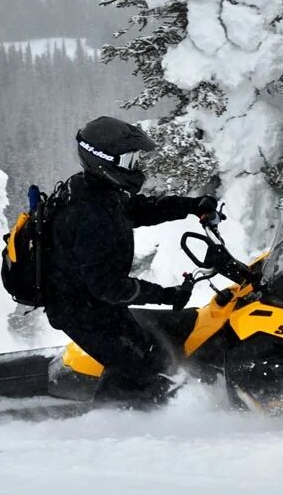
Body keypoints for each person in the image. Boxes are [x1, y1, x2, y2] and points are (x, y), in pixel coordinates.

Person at [45, 116, 218, 407]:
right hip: (81, 310)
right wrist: (166, 295)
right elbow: (109, 287)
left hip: (90, 302)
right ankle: (108, 426)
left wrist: (190, 206)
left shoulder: (94, 190)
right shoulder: (90, 215)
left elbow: (136, 210)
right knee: (145, 369)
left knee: (153, 348)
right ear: (104, 161)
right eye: (129, 161)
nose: (135, 167)